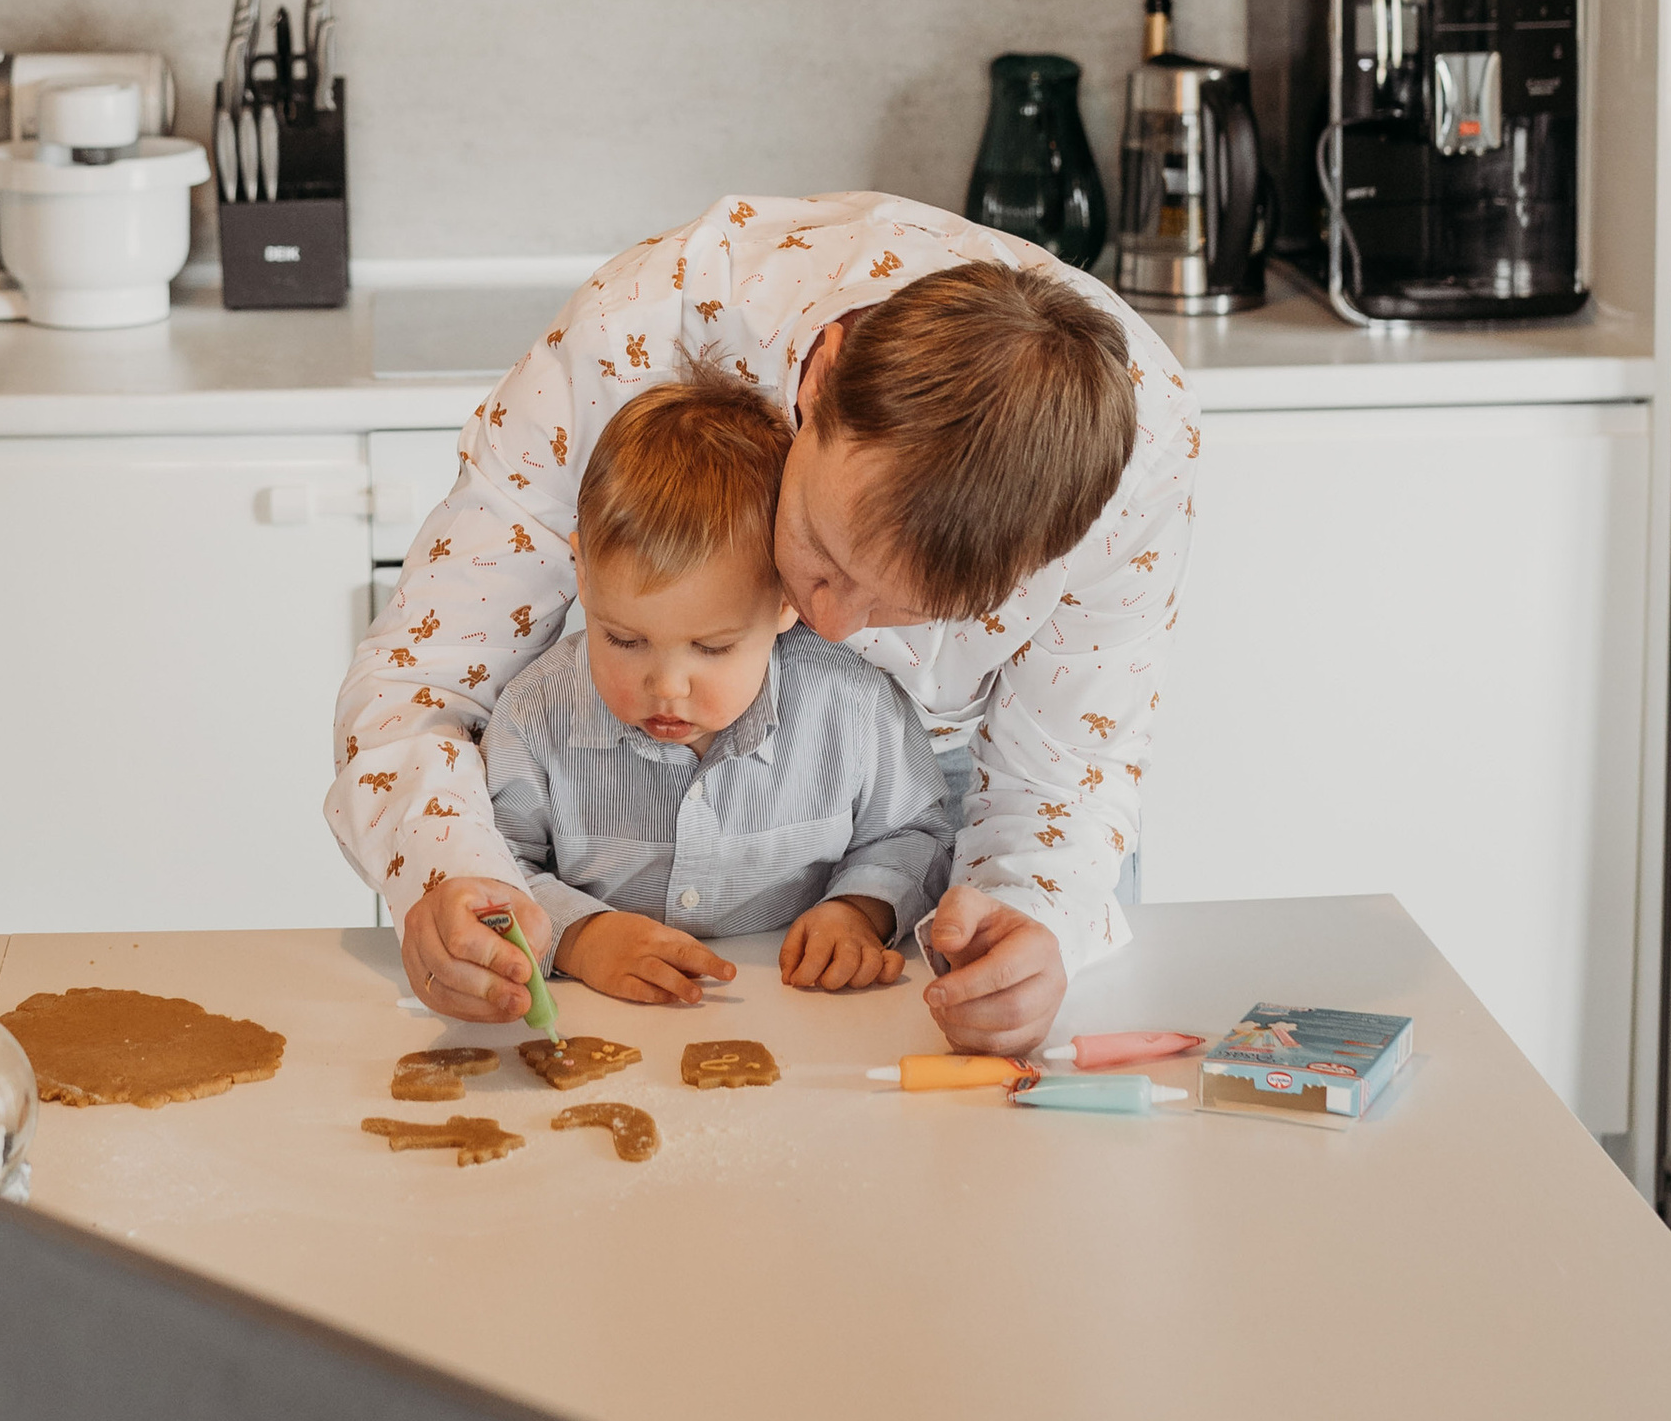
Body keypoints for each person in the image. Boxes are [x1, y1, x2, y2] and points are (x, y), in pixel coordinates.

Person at [329, 197, 1194, 1055]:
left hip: (923, 835)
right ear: (816, 384)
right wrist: (452, 878)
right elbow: (426, 681)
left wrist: (1032, 923)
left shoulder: (1140, 465)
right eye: (820, 554)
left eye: (906, 610)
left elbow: (1064, 781)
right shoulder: (632, 338)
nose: (828, 623)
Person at [482, 368, 953, 1008]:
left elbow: (913, 834)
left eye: (712, 648)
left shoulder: (851, 706)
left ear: (788, 600)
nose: (667, 685)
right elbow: (489, 866)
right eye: (624, 639)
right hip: (601, 1020)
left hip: (801, 1025)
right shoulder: (535, 716)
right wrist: (579, 937)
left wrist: (859, 910)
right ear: (584, 576)